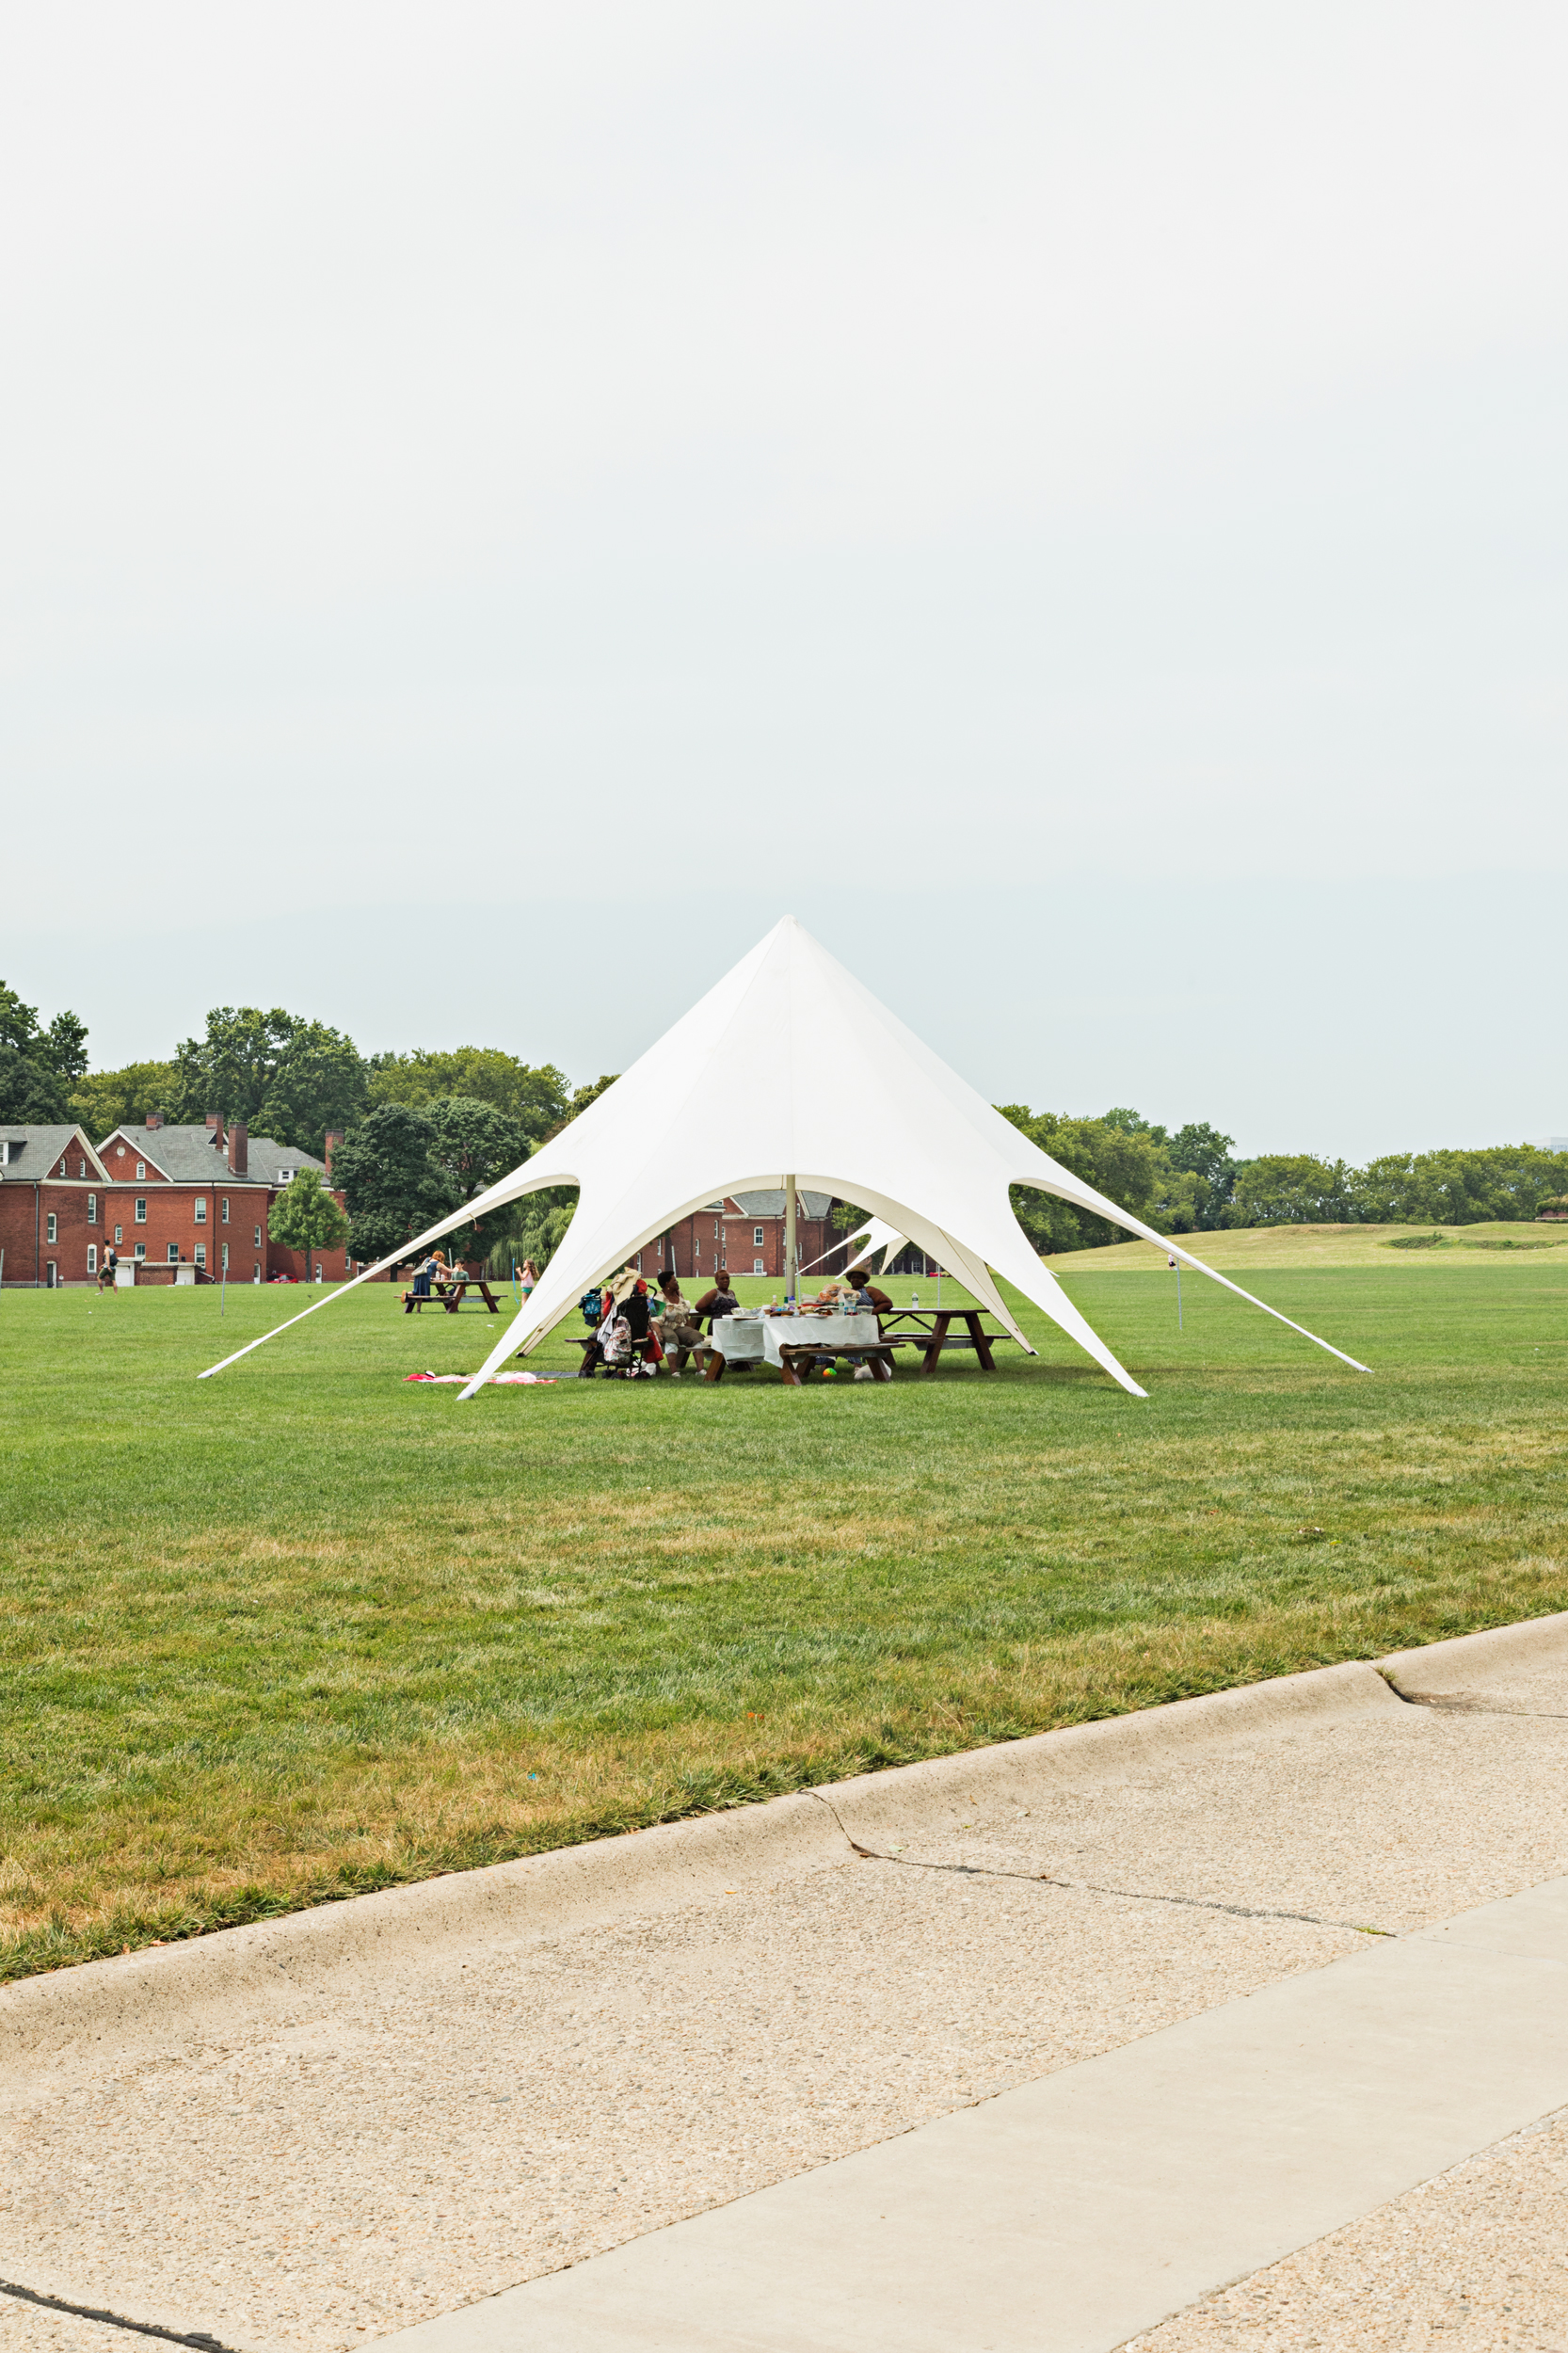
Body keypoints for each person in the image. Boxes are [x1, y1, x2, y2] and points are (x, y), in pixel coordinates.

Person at [654, 1269, 706, 1376]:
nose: (677, 1282)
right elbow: (653, 1319)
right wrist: (658, 1333)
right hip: (664, 1325)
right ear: (667, 1283)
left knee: (696, 1336)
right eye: (674, 1281)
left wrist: (692, 1330)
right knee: (671, 1337)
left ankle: (700, 1371)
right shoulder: (658, 1298)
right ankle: (674, 1372)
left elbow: (685, 1316)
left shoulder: (679, 1294)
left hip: (679, 1326)